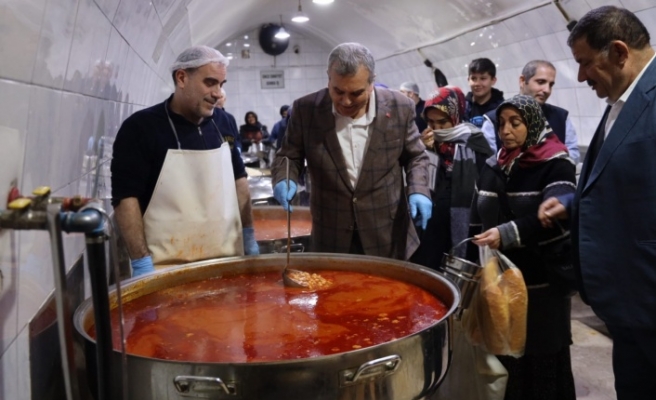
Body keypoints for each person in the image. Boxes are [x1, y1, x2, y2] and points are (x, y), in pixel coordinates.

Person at [538, 6, 656, 400]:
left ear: (620, 52)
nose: (581, 76)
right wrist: (574, 202)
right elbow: (626, 182)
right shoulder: (621, 101)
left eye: (586, 63)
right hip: (627, 304)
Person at [271, 42, 432, 260]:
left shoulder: (399, 107)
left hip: (386, 231)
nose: (345, 101)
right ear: (328, 77)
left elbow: (416, 156)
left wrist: (419, 189)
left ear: (371, 82)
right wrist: (285, 177)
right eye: (338, 91)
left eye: (356, 93)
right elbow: (289, 155)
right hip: (331, 232)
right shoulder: (306, 110)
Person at [111, 45, 259, 277]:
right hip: (166, 271)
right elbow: (126, 200)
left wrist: (249, 235)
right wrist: (141, 263)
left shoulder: (224, 123)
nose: (218, 93)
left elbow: (239, 181)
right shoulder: (141, 127)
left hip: (228, 264)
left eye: (221, 84)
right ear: (182, 78)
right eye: (210, 82)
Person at [472, 95, 577, 400]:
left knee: (542, 356)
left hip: (541, 285)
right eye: (502, 123)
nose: (506, 130)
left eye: (515, 123)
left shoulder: (555, 163)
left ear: (532, 124)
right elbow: (475, 217)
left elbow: (556, 212)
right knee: (507, 357)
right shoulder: (494, 165)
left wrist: (507, 233)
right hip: (500, 284)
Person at [410, 86, 493, 269]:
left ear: (455, 117)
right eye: (431, 123)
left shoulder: (475, 143)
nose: (436, 128)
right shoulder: (424, 144)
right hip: (430, 226)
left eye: (442, 122)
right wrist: (424, 150)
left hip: (464, 226)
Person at [481, 60, 581, 164]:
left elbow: (573, 156)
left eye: (551, 85)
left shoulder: (561, 118)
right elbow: (488, 162)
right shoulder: (493, 119)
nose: (547, 90)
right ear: (522, 81)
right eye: (541, 82)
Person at [465, 58, 505, 128]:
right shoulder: (463, 107)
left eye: (483, 78)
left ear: (493, 80)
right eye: (474, 78)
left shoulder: (502, 108)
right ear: (468, 80)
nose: (477, 83)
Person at [215, 88, 241, 152]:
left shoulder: (230, 118)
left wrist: (238, 148)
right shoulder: (206, 118)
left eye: (221, 97)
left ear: (225, 99)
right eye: (216, 98)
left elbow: (236, 138)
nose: (218, 100)